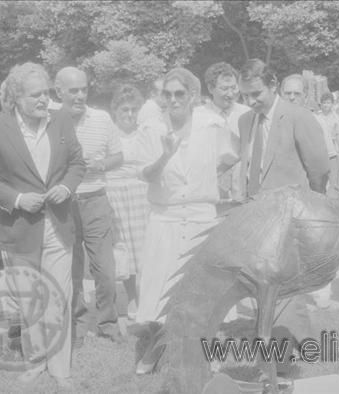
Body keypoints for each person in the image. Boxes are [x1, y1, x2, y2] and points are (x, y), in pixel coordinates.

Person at [0, 63, 85, 388]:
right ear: (16, 98)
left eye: (47, 93)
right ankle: (36, 362)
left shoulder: (61, 119)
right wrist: (18, 199)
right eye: (36, 95)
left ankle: (60, 368)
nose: (44, 99)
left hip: (58, 225)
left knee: (59, 295)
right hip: (19, 228)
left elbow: (77, 162)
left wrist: (66, 187)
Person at [134, 67, 239, 373]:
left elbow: (230, 156)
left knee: (205, 288)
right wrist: (165, 156)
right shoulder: (151, 128)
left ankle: (210, 348)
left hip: (200, 217)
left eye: (180, 93)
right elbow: (146, 175)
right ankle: (156, 349)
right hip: (165, 218)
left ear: (192, 95)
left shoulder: (212, 124)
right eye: (167, 94)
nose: (173, 99)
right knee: (160, 289)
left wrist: (204, 181)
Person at [237, 59, 337, 364]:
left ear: (273, 84)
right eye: (245, 96)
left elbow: (319, 167)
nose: (251, 102)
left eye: (256, 94)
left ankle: (283, 355)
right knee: (268, 287)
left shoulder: (298, 116)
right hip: (256, 215)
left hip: (290, 216)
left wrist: (310, 206)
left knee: (282, 287)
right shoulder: (245, 121)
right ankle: (297, 345)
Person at [53, 67, 124, 346]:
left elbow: (118, 156)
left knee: (105, 268)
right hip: (63, 204)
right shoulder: (51, 121)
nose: (80, 95)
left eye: (84, 89)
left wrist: (102, 164)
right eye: (73, 90)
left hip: (96, 199)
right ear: (58, 92)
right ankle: (78, 325)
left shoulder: (102, 118)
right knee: (71, 267)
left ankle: (108, 323)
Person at [107, 83, 150, 320]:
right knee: (125, 250)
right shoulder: (109, 133)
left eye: (134, 109)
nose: (130, 115)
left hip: (142, 196)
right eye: (125, 110)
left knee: (145, 249)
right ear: (115, 110)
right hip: (116, 196)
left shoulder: (144, 132)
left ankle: (148, 299)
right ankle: (132, 299)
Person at [200, 62, 250, 202]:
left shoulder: (247, 114)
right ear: (211, 88)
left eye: (234, 88)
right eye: (224, 89)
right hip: (210, 189)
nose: (230, 94)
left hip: (241, 190)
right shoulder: (199, 117)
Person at [279, 74, 339, 190]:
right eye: (287, 93)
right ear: (281, 95)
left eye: (297, 94)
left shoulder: (317, 121)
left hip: (313, 189)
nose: (292, 97)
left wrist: (333, 187)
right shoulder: (275, 123)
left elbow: (332, 157)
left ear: (305, 97)